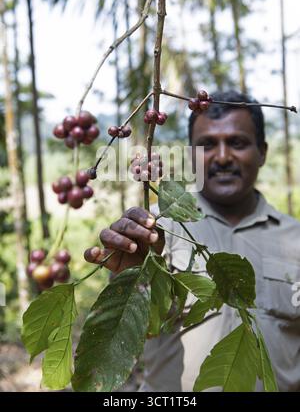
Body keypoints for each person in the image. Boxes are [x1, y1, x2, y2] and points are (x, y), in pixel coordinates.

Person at [86, 90, 300, 392]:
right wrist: (134, 279)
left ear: (262, 151)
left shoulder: (296, 240)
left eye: (237, 143)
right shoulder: (153, 230)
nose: (223, 157)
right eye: (207, 145)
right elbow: (130, 334)